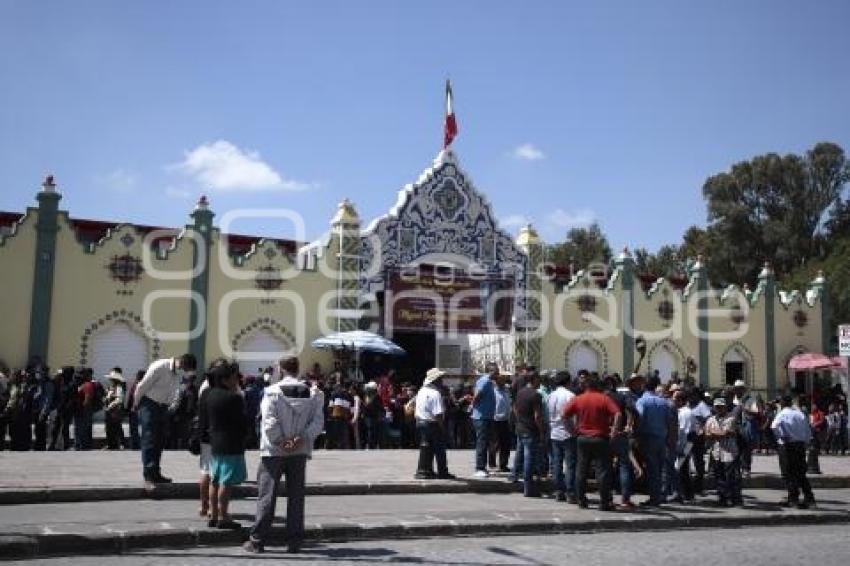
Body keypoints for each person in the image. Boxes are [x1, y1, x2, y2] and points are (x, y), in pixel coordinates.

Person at [243, 356, 324, 554]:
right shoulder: (312, 394)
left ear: (281, 369)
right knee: (296, 497)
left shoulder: (272, 393)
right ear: (297, 369)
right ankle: (294, 541)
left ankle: (257, 540)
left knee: (267, 496)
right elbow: (317, 423)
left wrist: (281, 441)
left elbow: (268, 423)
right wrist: (299, 439)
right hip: (299, 450)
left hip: (274, 451)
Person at [133, 353, 197, 484]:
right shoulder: (160, 366)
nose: (184, 373)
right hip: (149, 403)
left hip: (163, 407)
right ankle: (149, 475)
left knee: (160, 440)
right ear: (182, 362)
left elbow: (177, 391)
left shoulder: (179, 373)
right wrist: (136, 405)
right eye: (185, 369)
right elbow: (142, 386)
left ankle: (156, 472)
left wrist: (171, 407)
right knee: (150, 439)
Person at [563, 373, 622, 511]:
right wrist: (614, 431)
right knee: (602, 471)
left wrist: (572, 431)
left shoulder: (578, 399)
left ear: (586, 385)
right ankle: (604, 502)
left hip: (582, 438)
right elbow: (618, 414)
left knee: (581, 470)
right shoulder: (604, 399)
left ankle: (581, 500)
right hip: (600, 438)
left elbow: (564, 415)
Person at [200, 363, 247, 530]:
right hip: (231, 443)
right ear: (225, 379)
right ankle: (224, 516)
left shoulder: (210, 395)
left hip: (215, 442)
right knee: (226, 482)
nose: (237, 380)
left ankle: (213, 514)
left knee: (215, 479)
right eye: (234, 378)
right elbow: (242, 422)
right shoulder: (234, 398)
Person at [635, 375, 676, 506]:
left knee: (652, 469)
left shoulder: (642, 401)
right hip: (662, 439)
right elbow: (670, 422)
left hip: (648, 438)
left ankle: (654, 498)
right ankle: (659, 495)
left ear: (644, 386)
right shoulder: (664, 402)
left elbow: (639, 418)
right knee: (660, 468)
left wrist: (636, 435)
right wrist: (670, 438)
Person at [771, 396, 816, 508]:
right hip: (800, 445)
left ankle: (793, 498)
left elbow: (774, 426)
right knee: (801, 473)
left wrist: (781, 437)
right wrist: (805, 442)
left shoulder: (782, 413)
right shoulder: (799, 413)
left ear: (781, 403)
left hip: (787, 446)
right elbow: (807, 430)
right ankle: (809, 499)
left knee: (788, 473)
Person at [413, 368, 455, 479]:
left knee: (427, 448)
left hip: (421, 422)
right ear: (435, 380)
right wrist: (443, 428)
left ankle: (427, 470)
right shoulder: (435, 393)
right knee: (440, 449)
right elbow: (438, 414)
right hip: (432, 423)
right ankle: (442, 471)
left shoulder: (421, 391)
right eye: (440, 379)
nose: (442, 381)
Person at [705, 398, 742, 507]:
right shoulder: (711, 419)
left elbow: (725, 433)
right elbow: (706, 435)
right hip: (716, 452)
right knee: (719, 476)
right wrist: (715, 433)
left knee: (730, 476)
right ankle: (722, 497)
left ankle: (732, 498)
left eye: (721, 406)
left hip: (729, 452)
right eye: (717, 407)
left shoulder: (731, 418)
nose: (719, 409)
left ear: (725, 407)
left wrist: (712, 432)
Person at [513, 371, 544, 497]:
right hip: (530, 430)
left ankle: (515, 475)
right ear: (534, 380)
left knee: (520, 454)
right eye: (539, 379)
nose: (540, 382)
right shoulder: (536, 395)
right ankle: (528, 487)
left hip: (521, 428)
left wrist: (520, 419)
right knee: (529, 458)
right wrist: (542, 431)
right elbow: (537, 416)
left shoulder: (520, 392)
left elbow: (514, 408)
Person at [548, 371, 577, 503]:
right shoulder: (570, 395)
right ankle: (570, 492)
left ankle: (559, 491)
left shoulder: (551, 395)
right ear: (568, 382)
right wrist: (573, 431)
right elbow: (571, 417)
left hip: (554, 432)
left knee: (557, 463)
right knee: (570, 465)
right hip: (567, 432)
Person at [471, 362, 498, 478]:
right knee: (482, 442)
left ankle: (483, 467)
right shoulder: (485, 381)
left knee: (486, 442)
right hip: (481, 417)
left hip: (487, 417)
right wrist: (474, 405)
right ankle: (479, 468)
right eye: (497, 371)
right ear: (490, 371)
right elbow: (477, 395)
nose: (498, 373)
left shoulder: (490, 382)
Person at [673, 391, 697, 502]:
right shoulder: (682, 411)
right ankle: (685, 494)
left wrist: (680, 448)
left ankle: (685, 494)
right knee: (682, 469)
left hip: (686, 442)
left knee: (680, 469)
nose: (673, 401)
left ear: (680, 400)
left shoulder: (685, 413)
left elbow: (683, 431)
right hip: (685, 442)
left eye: (674, 399)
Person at [489, 373, 512, 472]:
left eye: (504, 380)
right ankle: (492, 463)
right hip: (495, 419)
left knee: (506, 444)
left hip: (505, 420)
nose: (503, 382)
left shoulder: (506, 391)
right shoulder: (493, 392)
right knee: (495, 443)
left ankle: (503, 464)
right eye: (501, 380)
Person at [74, 368, 97, 451]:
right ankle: (81, 445)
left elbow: (87, 398)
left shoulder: (87, 385)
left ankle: (82, 446)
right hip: (82, 411)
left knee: (82, 429)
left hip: (84, 411)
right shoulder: (82, 384)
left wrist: (82, 408)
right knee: (80, 429)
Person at [104, 369, 126, 450]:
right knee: (109, 428)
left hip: (115, 411)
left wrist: (110, 406)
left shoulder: (119, 387)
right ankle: (111, 444)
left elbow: (119, 400)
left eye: (111, 379)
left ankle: (121, 444)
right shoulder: (111, 387)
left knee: (117, 427)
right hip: (109, 411)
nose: (110, 380)